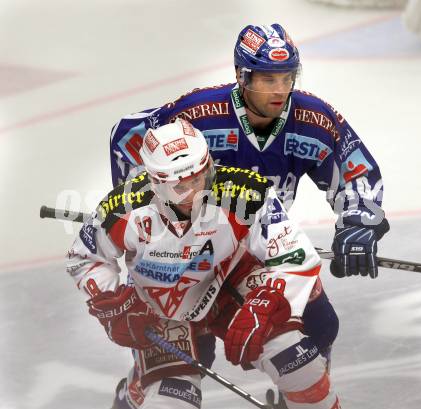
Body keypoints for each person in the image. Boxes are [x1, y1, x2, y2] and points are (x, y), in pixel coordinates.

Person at [108, 23, 389, 369]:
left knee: (319, 325)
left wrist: (358, 222)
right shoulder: (198, 116)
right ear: (243, 76)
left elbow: (355, 170)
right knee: (183, 360)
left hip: (258, 246)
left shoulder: (313, 120)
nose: (281, 90)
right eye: (269, 79)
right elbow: (127, 137)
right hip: (188, 253)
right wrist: (138, 221)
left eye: (288, 78)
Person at [67, 120, 341, 408]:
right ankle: (135, 391)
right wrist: (114, 304)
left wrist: (267, 301)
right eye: (181, 187)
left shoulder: (246, 191)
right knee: (171, 398)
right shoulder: (123, 205)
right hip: (162, 307)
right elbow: (84, 257)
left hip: (229, 285)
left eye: (199, 179)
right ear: (156, 184)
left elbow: (295, 254)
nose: (195, 193)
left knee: (297, 362)